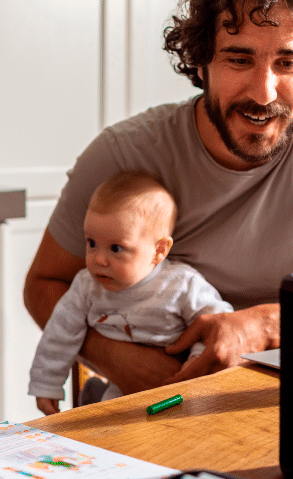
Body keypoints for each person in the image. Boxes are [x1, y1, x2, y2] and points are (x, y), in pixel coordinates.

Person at [23, 0, 293, 396]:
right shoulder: (124, 153)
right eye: (239, 59)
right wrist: (122, 361)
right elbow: (44, 284)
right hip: (159, 398)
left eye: (287, 62)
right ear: (201, 62)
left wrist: (267, 324)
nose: (264, 93)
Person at [28, 172, 233, 415]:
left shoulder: (180, 284)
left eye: (116, 248)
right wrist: (46, 384)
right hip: (121, 389)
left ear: (158, 251)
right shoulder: (87, 287)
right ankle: (94, 396)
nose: (99, 259)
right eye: (91, 243)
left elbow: (219, 324)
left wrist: (194, 366)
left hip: (185, 386)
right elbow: (60, 333)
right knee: (113, 422)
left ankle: (94, 395)